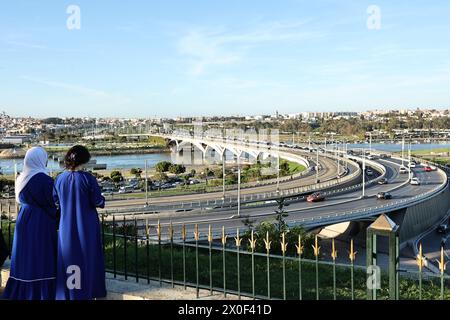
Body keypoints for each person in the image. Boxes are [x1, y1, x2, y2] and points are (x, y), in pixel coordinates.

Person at [2, 147, 58, 300]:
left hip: (24, 218)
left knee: (25, 253)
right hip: (41, 220)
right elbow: (52, 202)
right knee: (41, 254)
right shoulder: (44, 180)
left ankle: (22, 286)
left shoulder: (21, 178)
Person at [53, 145, 106, 300]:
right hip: (86, 224)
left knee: (69, 257)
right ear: (84, 160)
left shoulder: (59, 178)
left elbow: (55, 199)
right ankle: (89, 290)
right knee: (88, 257)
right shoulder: (88, 179)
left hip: (66, 224)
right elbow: (97, 200)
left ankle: (71, 292)